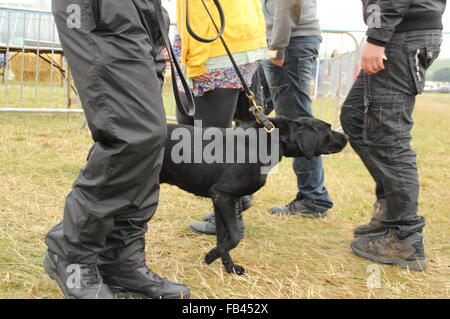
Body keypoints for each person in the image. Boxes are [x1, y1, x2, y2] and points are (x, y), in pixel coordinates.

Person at [43, 0, 190, 299]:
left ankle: (120, 260)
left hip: (145, 10)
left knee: (151, 139)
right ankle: (72, 253)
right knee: (132, 133)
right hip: (103, 9)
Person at [341, 0, 445, 271]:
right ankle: (391, 214)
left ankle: (405, 236)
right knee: (355, 116)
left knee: (390, 138)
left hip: (400, 33)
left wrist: (377, 36)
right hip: (401, 31)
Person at [175, 0, 267, 235]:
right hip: (238, 38)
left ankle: (230, 217)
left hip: (214, 46)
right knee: (208, 136)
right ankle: (238, 199)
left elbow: (196, 7)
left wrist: (195, 59)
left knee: (211, 141)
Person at [262, 0, 334, 218]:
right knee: (260, 112)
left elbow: (287, 4)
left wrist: (277, 46)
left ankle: (313, 198)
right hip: (287, 41)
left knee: (299, 126)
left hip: (290, 42)